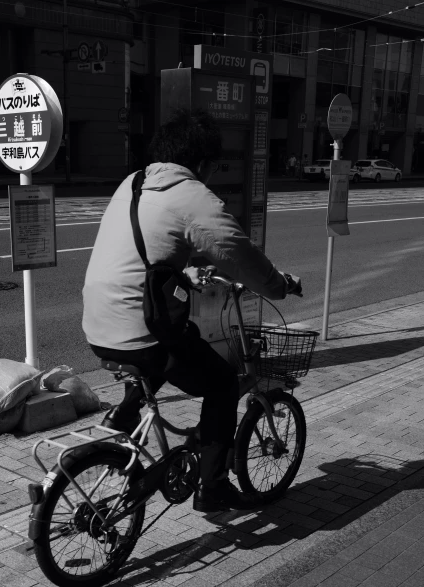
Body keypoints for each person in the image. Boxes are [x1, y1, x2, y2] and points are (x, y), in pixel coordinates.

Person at [82, 109, 301, 513]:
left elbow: (144, 248)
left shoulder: (132, 184)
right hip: (141, 324)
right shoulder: (193, 195)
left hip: (98, 323)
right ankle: (213, 487)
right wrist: (279, 285)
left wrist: (188, 268)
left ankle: (122, 420)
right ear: (201, 162)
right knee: (219, 382)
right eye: (212, 166)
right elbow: (239, 253)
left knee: (172, 351)